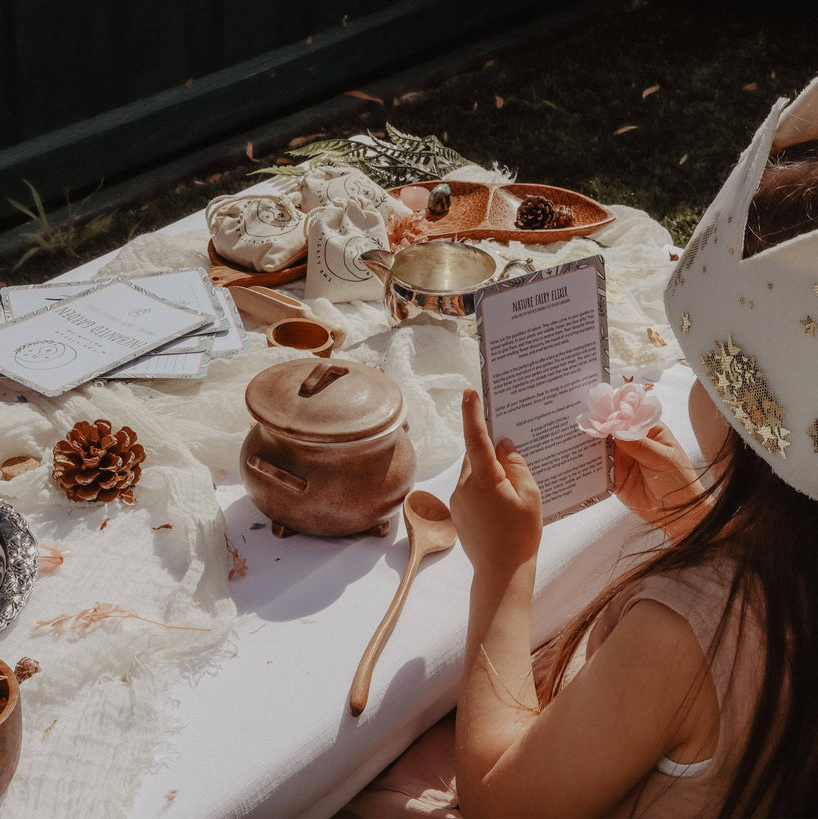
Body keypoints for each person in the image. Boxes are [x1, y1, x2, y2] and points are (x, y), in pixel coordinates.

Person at [339, 75, 818, 817]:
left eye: (700, 366)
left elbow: (499, 800)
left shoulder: (681, 632)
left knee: (358, 784)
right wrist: (692, 515)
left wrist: (505, 569)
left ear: (760, 413)